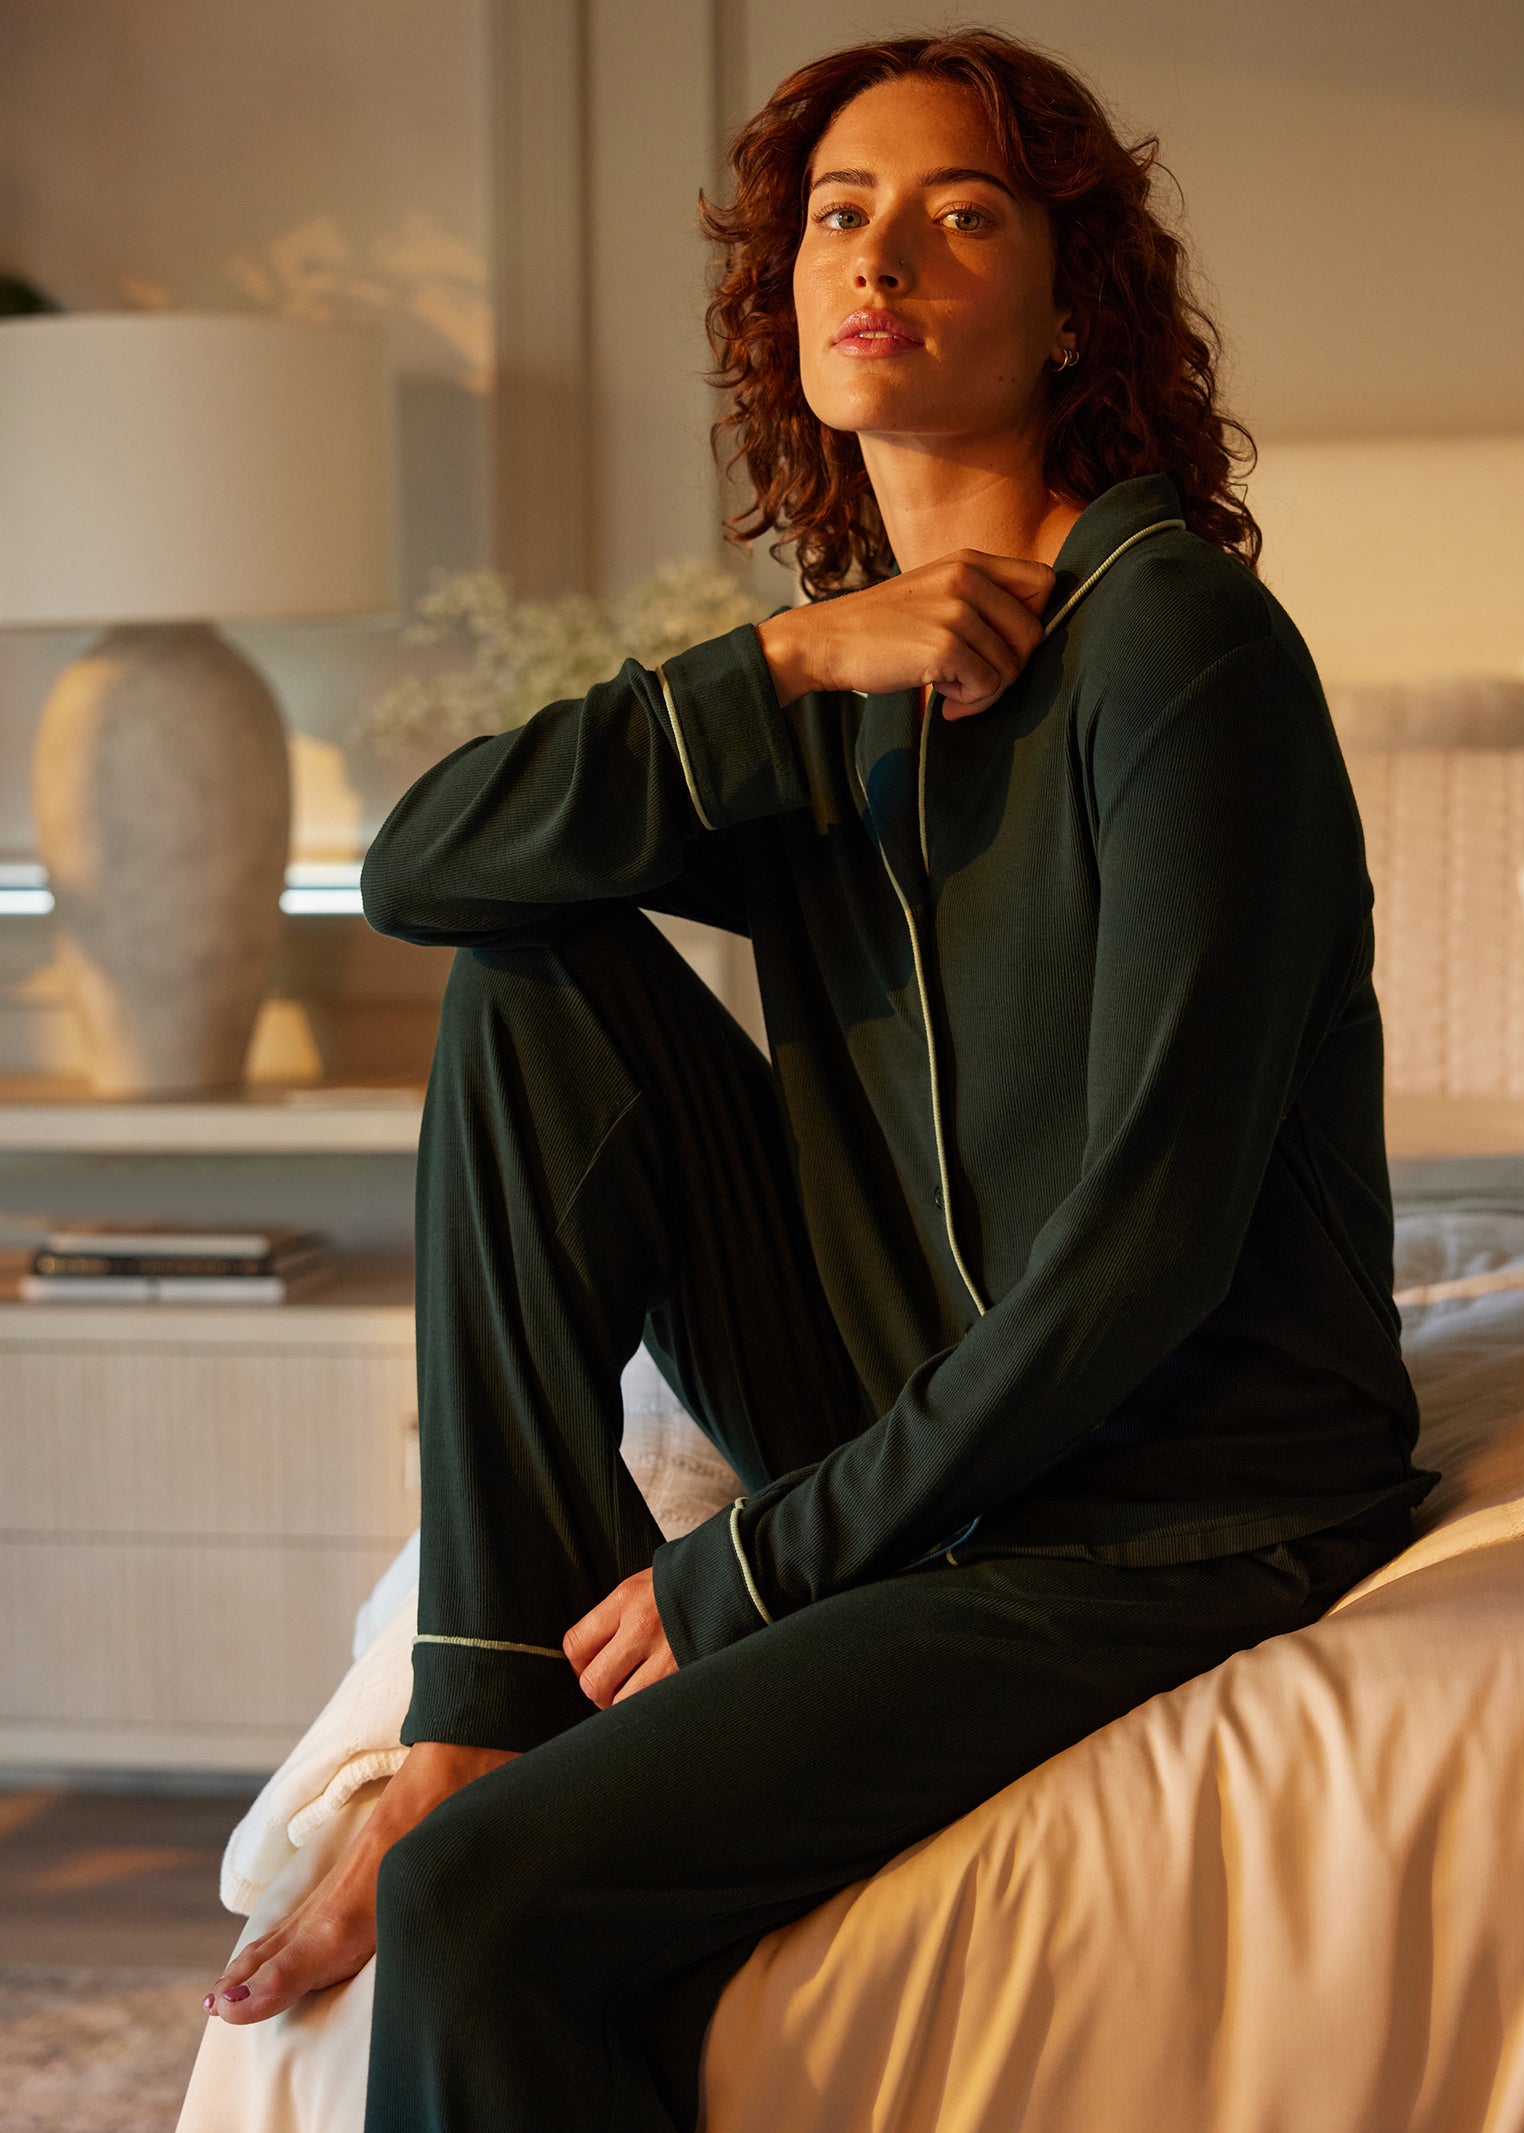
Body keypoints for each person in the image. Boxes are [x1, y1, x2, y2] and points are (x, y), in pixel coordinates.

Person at [202, 25, 1440, 2130]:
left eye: (963, 215)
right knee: (530, 973)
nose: (886, 258)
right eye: (838, 220)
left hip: (1161, 1503)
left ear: (1072, 307)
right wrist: (779, 659)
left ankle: (486, 1800)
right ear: (781, 303)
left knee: (496, 1905)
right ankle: (481, 1705)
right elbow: (426, 868)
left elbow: (1147, 1236)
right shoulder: (834, 677)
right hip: (913, 1411)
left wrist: (746, 1571)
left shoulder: (1179, 652)